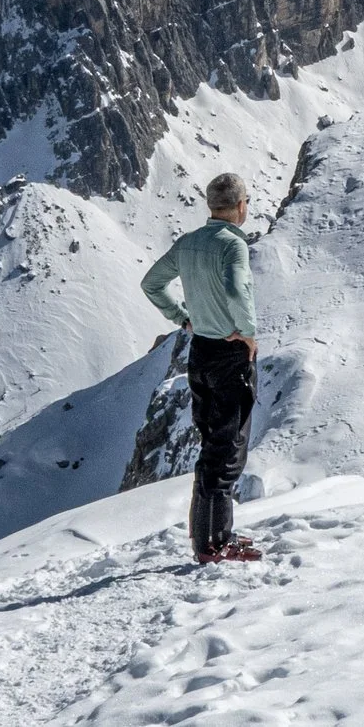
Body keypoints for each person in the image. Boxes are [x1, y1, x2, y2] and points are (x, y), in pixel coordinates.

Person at [140, 172, 265, 565]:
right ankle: (213, 546)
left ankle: (210, 536)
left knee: (211, 443)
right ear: (241, 206)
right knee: (228, 450)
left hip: (199, 353)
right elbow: (235, 288)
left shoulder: (188, 243)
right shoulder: (233, 245)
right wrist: (246, 333)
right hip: (230, 355)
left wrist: (182, 318)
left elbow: (151, 283)